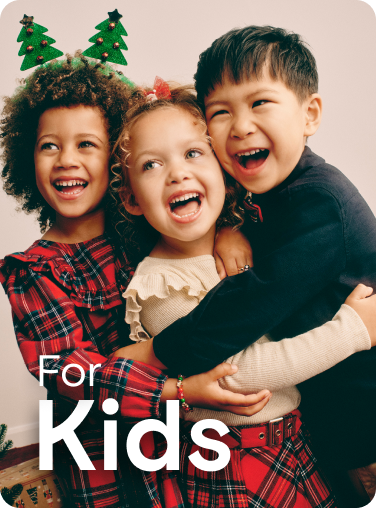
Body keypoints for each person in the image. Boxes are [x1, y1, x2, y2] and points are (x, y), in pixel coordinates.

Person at [117, 27, 376, 506]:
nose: (240, 125)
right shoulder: (271, 198)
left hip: (363, 420)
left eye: (259, 103)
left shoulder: (319, 200)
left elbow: (248, 306)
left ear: (309, 114)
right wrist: (233, 230)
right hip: (312, 429)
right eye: (221, 112)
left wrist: (155, 354)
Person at [0, 55, 268, 508]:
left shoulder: (142, 231)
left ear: (118, 162)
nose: (67, 159)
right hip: (100, 452)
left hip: (178, 439)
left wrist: (229, 227)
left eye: (87, 144)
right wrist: (177, 388)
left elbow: (198, 214)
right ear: (28, 157)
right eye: (49, 145)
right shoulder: (34, 270)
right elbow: (63, 371)